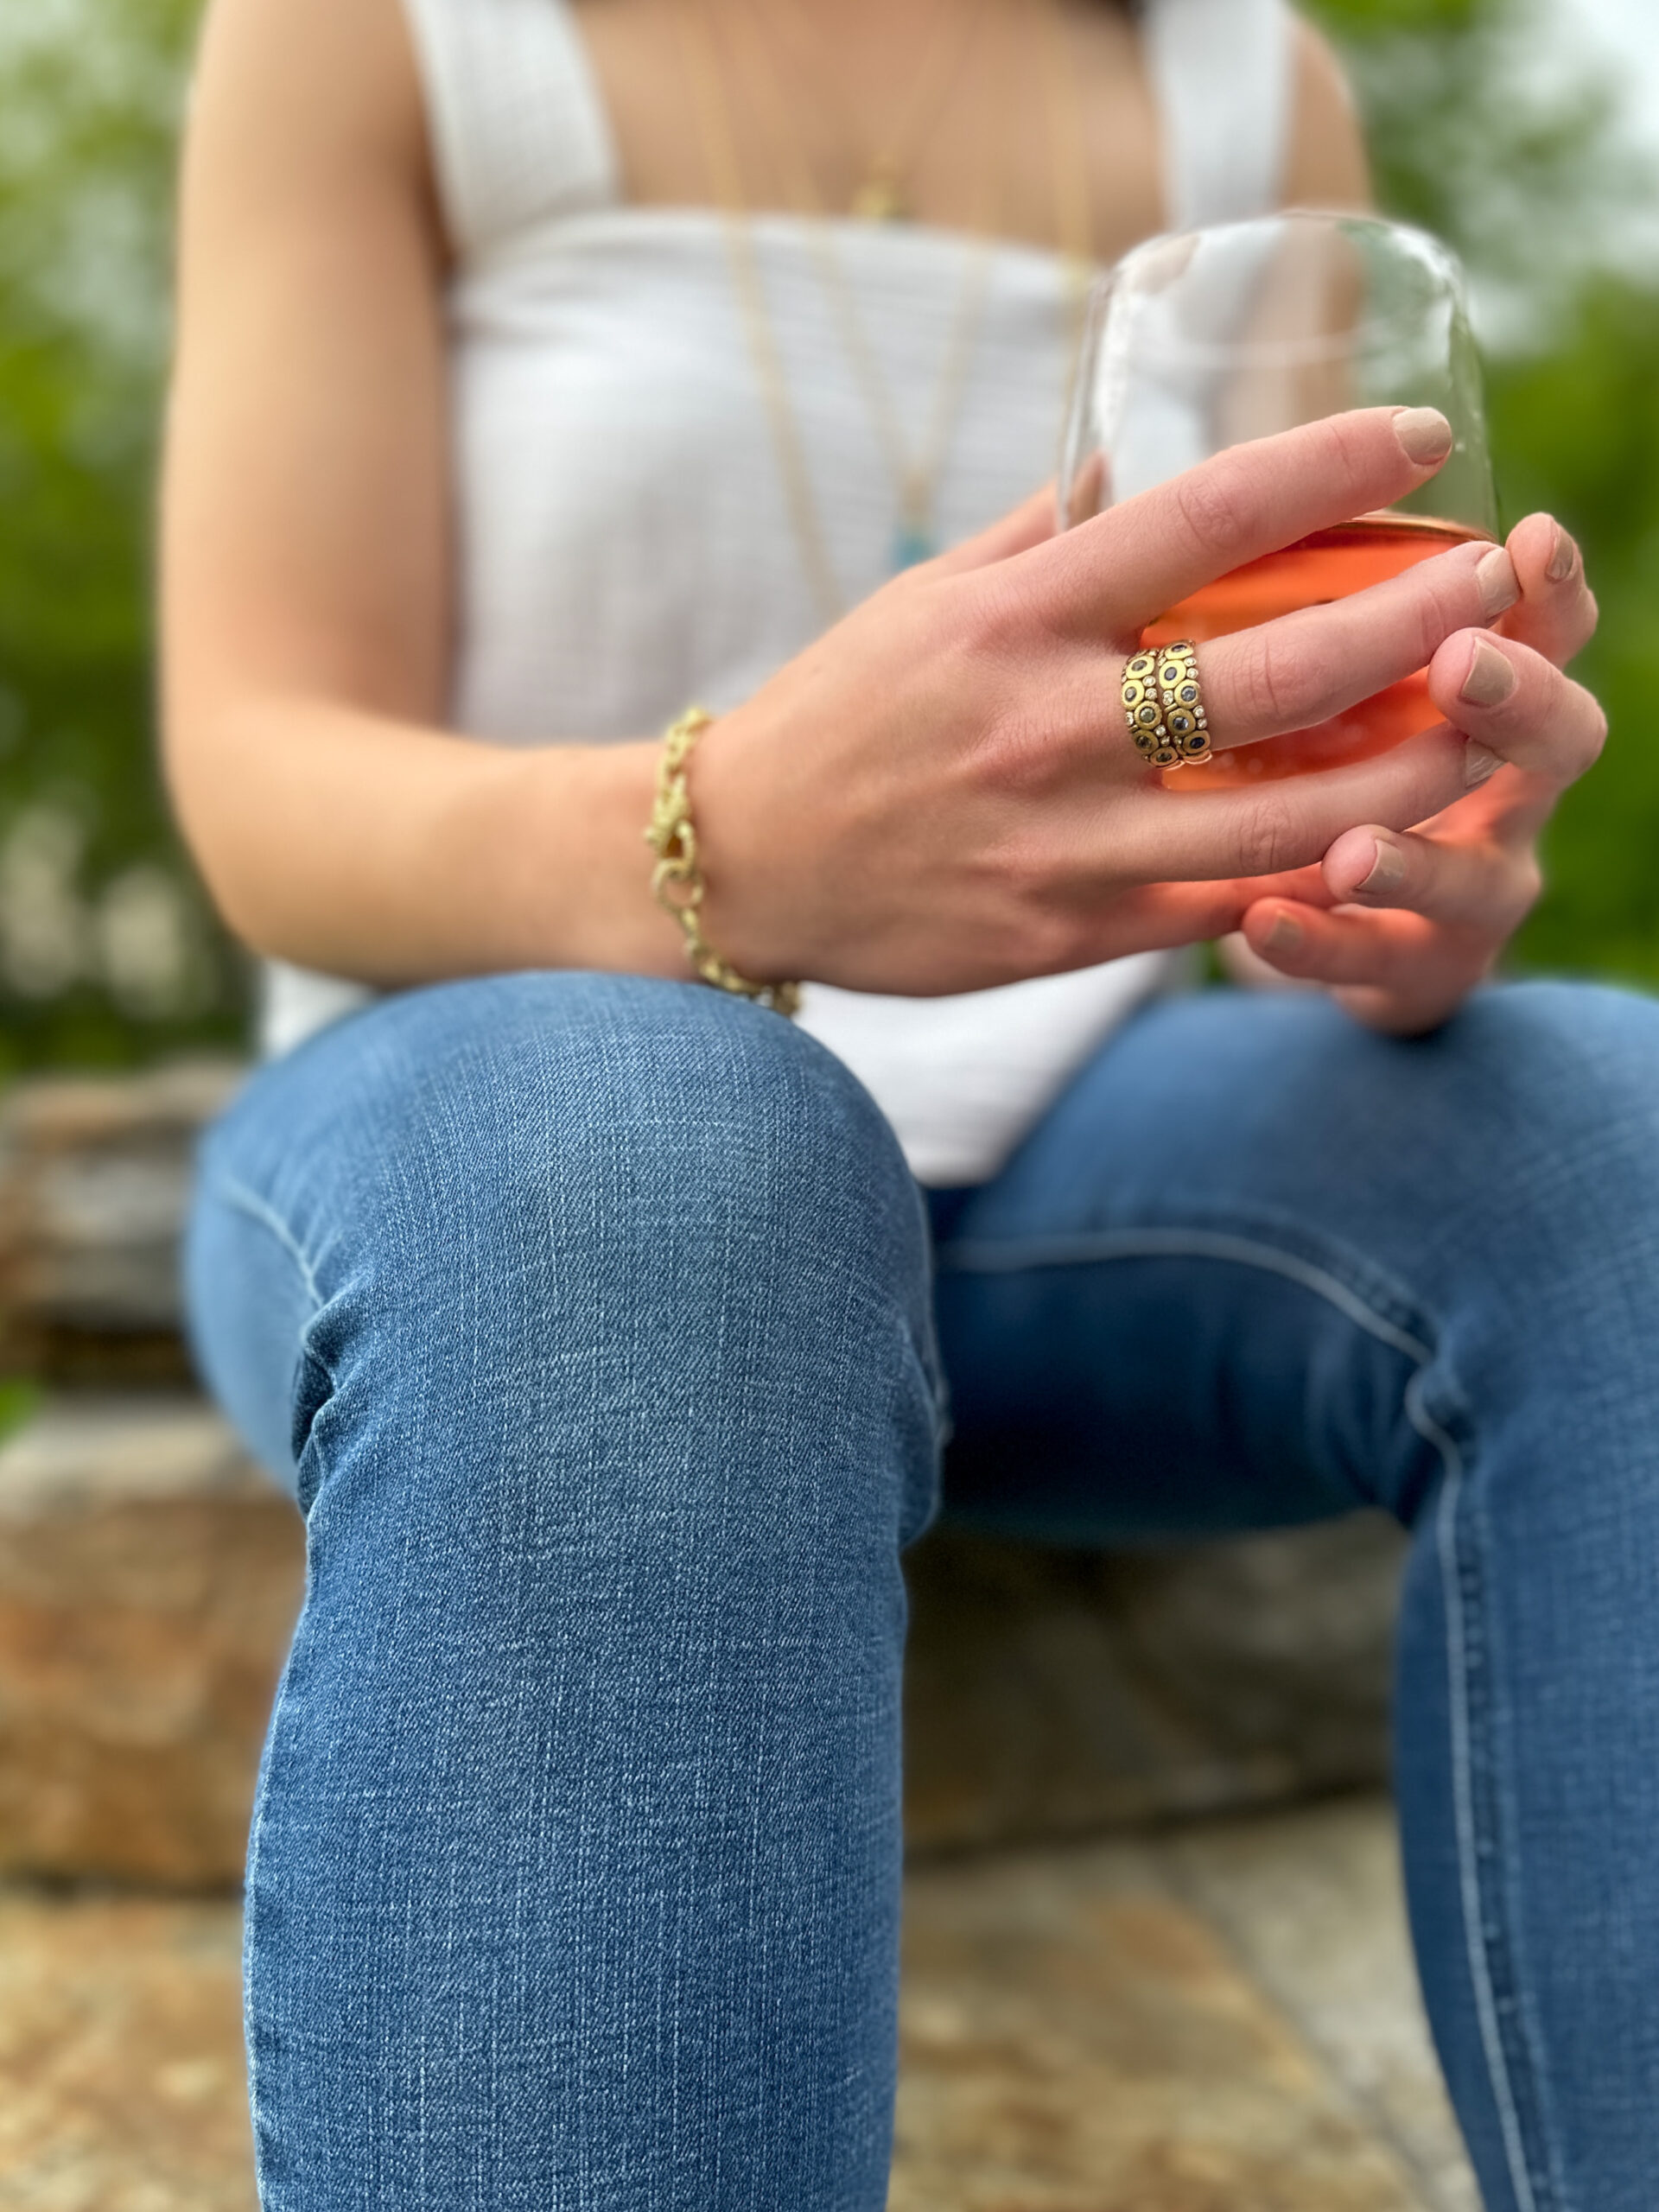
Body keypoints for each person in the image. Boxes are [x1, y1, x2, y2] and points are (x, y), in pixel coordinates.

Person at [162, 0, 1651, 2204]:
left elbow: (1269, 763)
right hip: (495, 1100)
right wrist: (736, 830)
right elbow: (266, 767)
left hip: (1074, 1134)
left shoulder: (1253, 91)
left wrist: (1398, 872)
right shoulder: (385, 32)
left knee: (1614, 1133)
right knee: (674, 1160)